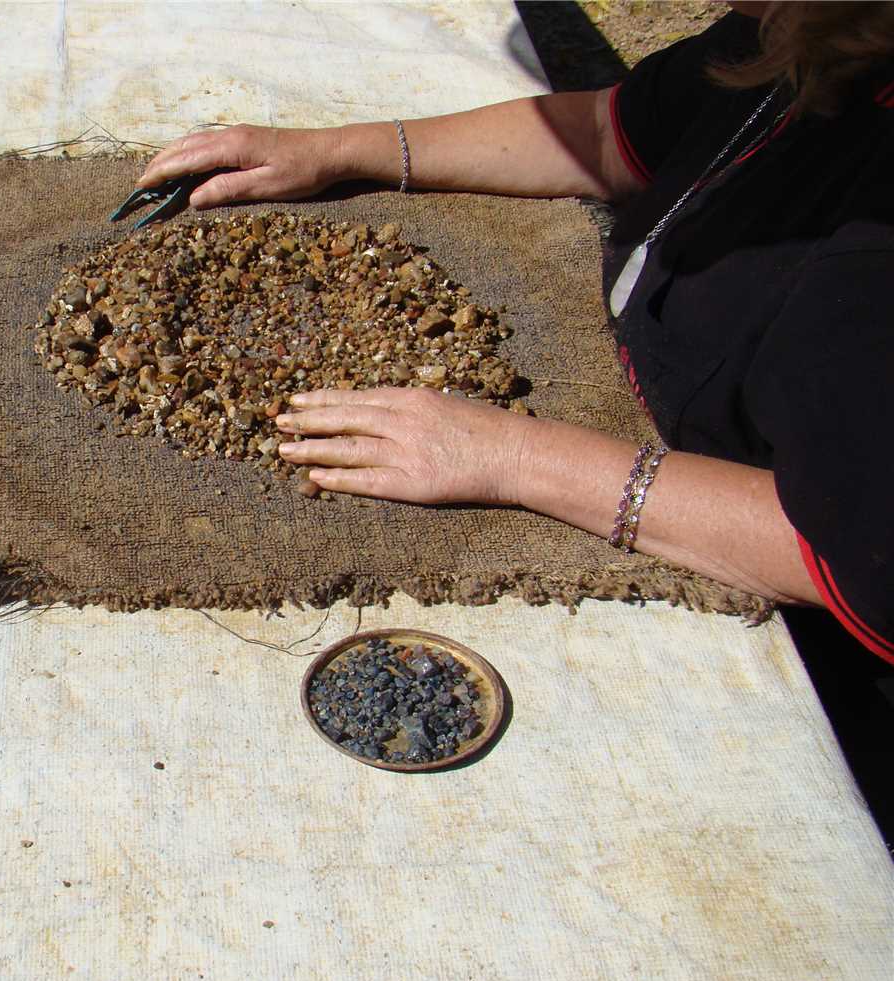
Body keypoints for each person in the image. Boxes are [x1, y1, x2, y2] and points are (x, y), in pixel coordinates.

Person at [135, 1, 894, 663]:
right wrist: (338, 149)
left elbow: (857, 555)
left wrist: (516, 457)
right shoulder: (806, 27)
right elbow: (609, 134)